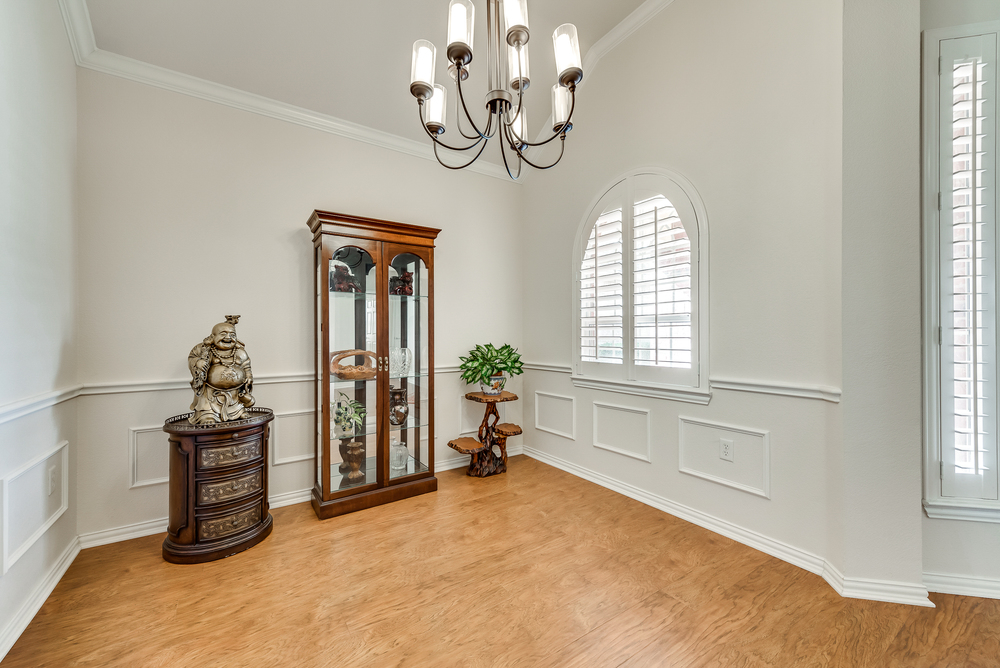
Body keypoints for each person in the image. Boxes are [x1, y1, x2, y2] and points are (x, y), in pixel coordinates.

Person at [187, 315, 254, 425]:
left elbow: (246, 365)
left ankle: (237, 412)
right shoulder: (204, 349)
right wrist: (198, 362)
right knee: (207, 405)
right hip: (210, 392)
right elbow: (192, 358)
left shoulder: (239, 352)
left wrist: (249, 376)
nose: (228, 337)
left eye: (232, 335)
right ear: (213, 336)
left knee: (236, 403)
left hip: (235, 391)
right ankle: (208, 415)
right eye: (223, 334)